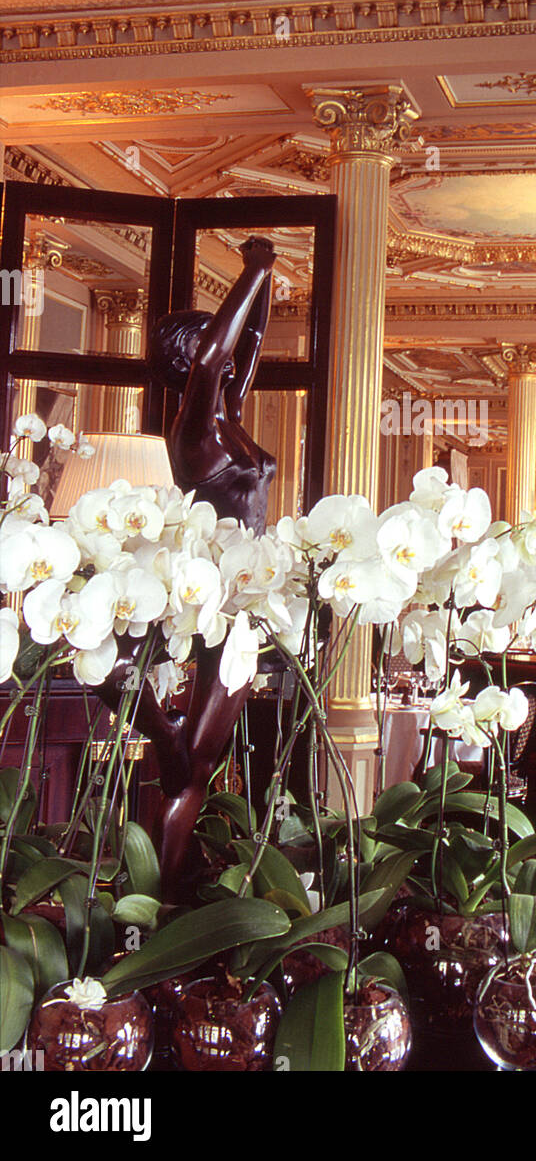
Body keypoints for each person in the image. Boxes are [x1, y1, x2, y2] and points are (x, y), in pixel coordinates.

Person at [96, 236, 277, 899]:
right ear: (194, 359)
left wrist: (269, 277)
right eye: (215, 348)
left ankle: (140, 710)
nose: (230, 356)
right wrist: (251, 268)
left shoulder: (229, 416)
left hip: (244, 601)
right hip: (215, 602)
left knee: (200, 756)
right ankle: (158, 903)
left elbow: (249, 340)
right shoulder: (195, 429)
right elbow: (216, 355)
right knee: (196, 765)